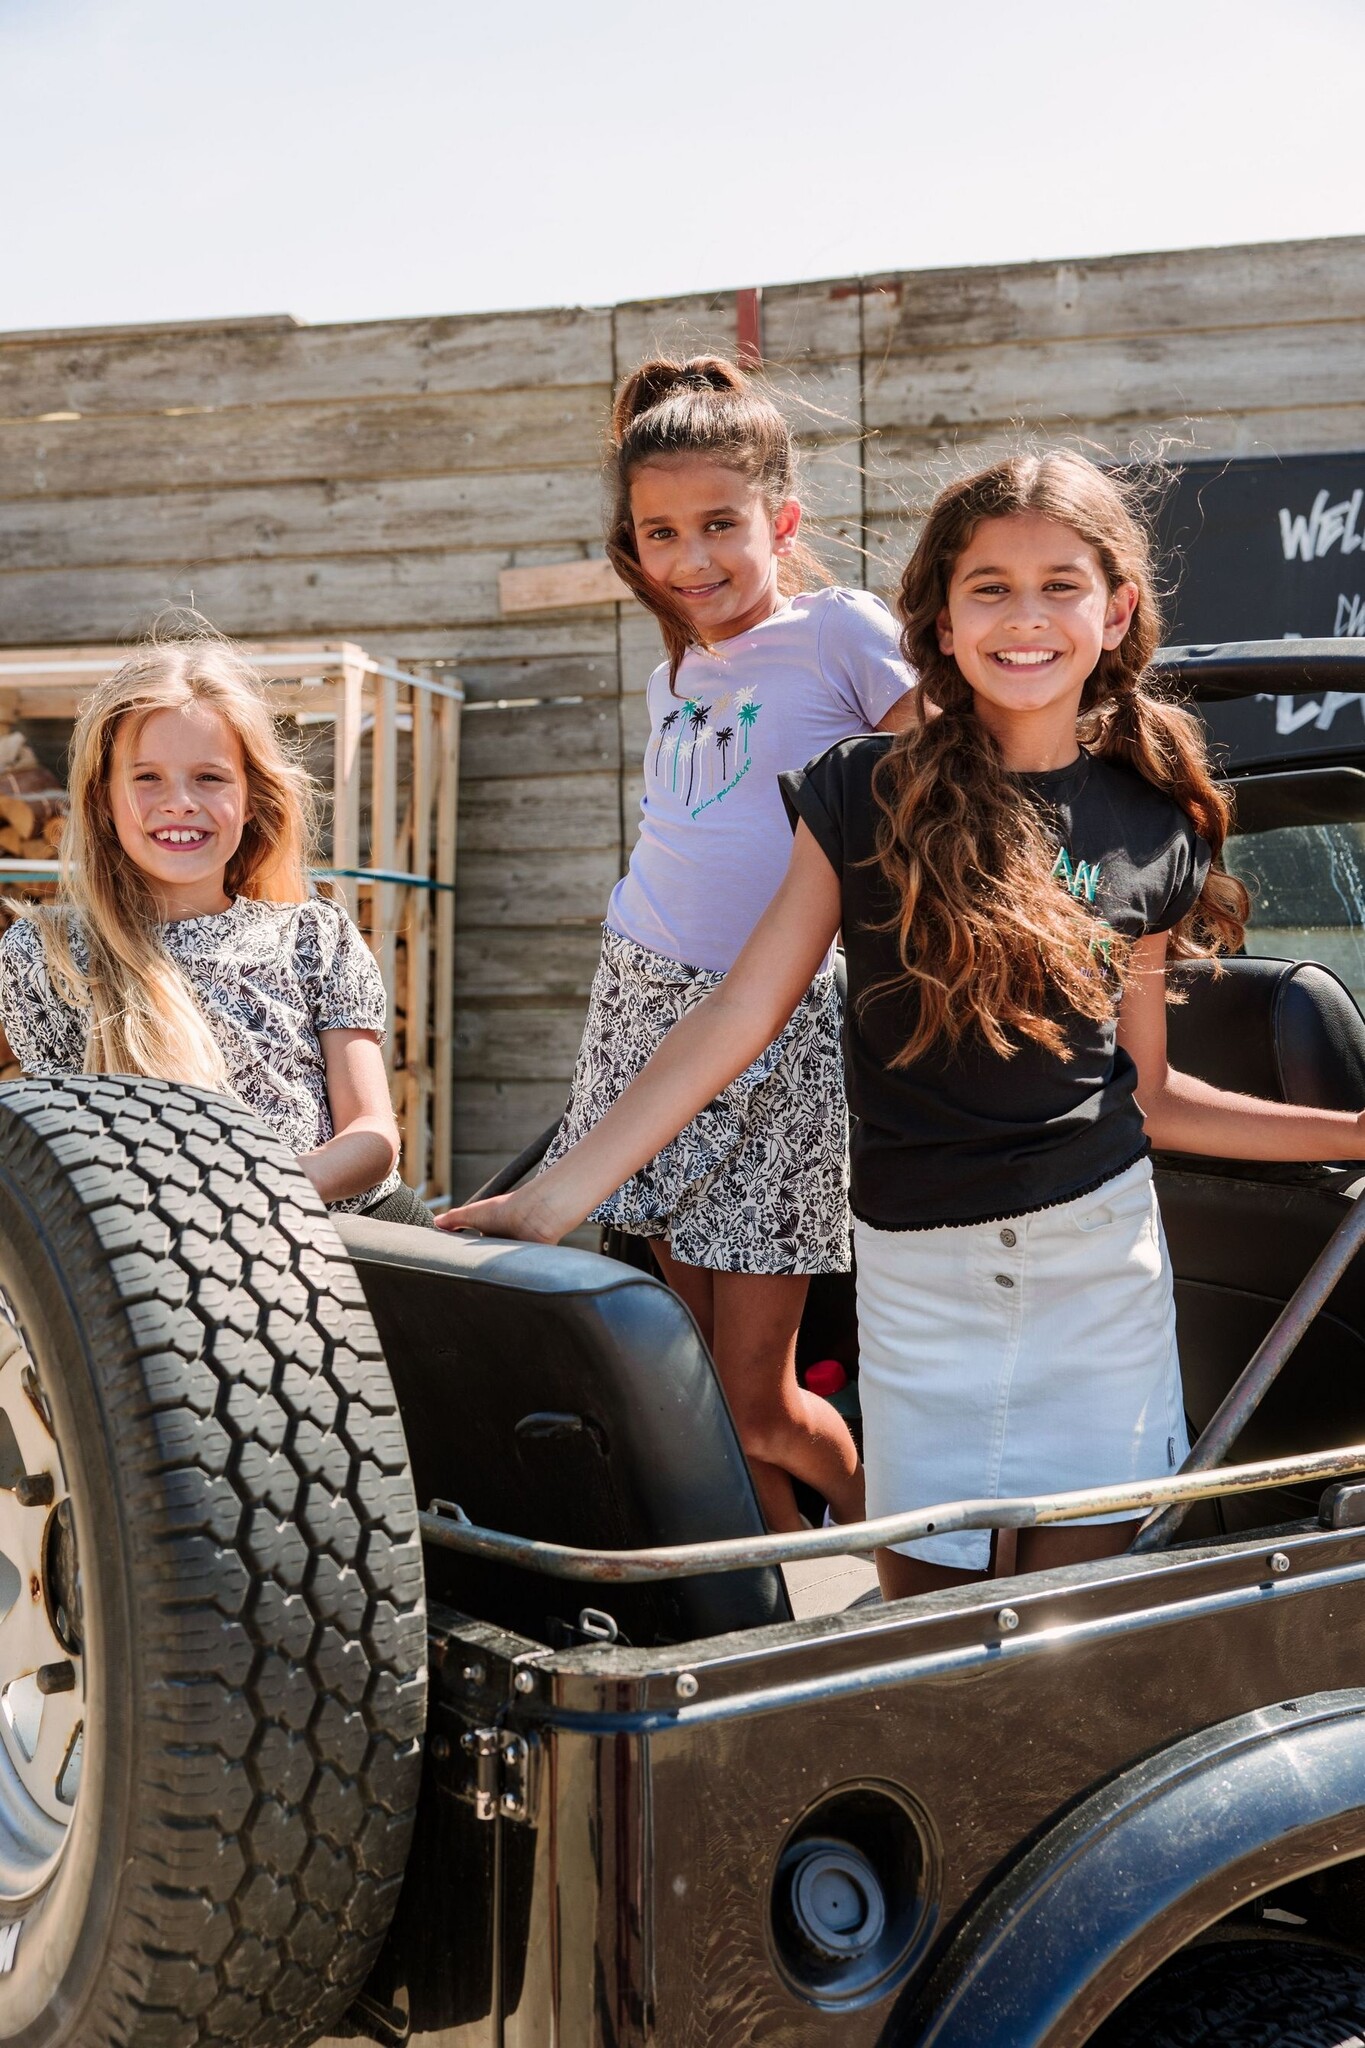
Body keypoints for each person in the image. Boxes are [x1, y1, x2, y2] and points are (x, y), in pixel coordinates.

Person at [438, 448, 1365, 1599]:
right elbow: (742, 1008)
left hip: (1101, 1272)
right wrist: (553, 1197)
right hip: (920, 1281)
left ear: (1117, 609)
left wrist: (1356, 1131)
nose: (1025, 618)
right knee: (931, 1632)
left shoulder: (1156, 822)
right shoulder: (864, 789)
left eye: (1060, 585)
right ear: (938, 615)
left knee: (1078, 1631)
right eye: (990, 587)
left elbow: (1154, 1093)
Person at [435, 355, 914, 1533]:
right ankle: (776, 1581)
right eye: (661, 532)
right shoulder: (679, 670)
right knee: (692, 1382)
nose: (692, 557)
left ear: (781, 522)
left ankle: (927, 1552)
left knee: (758, 1400)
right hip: (641, 1002)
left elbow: (939, 792)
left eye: (719, 524)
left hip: (780, 1024)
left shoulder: (842, 631)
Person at [0, 632, 433, 1225]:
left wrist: (255, 1195)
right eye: (147, 777)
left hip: (360, 1236)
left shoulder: (315, 936)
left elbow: (373, 1136)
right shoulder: (45, 956)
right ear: (102, 799)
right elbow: (68, 1154)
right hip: (173, 1251)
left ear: (251, 797)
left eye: (210, 777)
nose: (179, 802)